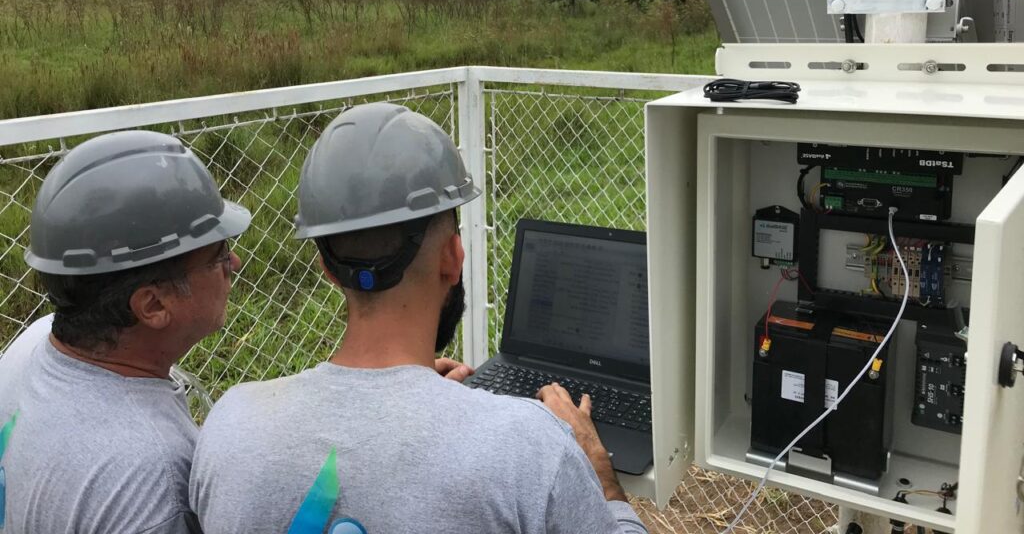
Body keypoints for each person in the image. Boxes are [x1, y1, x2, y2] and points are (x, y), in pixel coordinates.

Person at [190, 102, 648, 533]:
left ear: (327, 268)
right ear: (453, 257)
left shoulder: (230, 424)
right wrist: (598, 471)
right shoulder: (532, 446)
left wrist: (412, 405)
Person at [0, 130, 251, 534]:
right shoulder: (154, 480)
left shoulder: (35, 341)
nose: (234, 262)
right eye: (218, 254)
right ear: (152, 305)